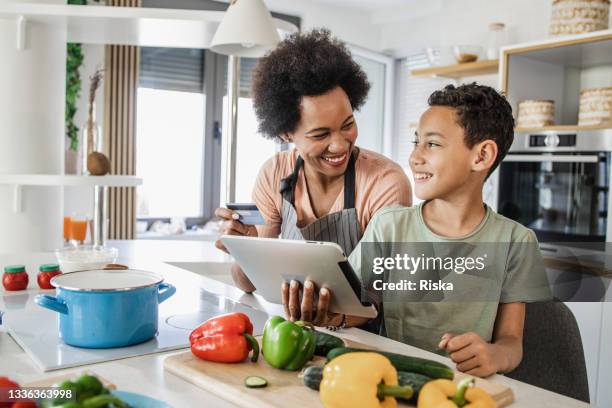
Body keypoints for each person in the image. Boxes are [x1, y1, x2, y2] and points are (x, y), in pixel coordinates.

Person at [284, 83, 552, 377]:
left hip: (462, 387)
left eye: (432, 144)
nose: (415, 157)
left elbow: (512, 343)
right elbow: (352, 306)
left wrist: (495, 356)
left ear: (482, 156)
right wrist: (324, 310)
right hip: (388, 378)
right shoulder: (390, 226)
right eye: (416, 142)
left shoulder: (516, 242)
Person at [215, 29, 412, 303]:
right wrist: (246, 250)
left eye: (348, 125)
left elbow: (377, 292)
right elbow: (247, 284)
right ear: (285, 133)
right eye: (320, 135)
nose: (340, 145)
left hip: (365, 333)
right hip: (298, 327)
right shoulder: (274, 174)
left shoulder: (385, 181)